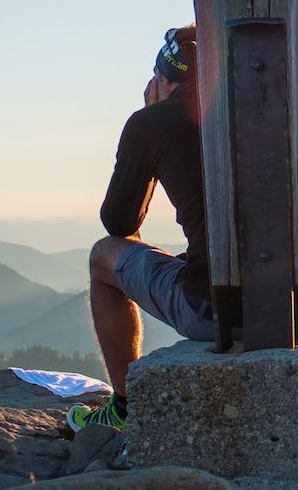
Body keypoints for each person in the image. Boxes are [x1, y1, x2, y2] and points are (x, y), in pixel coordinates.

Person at [79, 25, 219, 430]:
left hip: (215, 309)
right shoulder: (260, 108)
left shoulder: (153, 123)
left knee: (103, 257)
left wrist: (148, 122)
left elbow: (119, 223)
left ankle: (125, 409)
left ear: (163, 80)